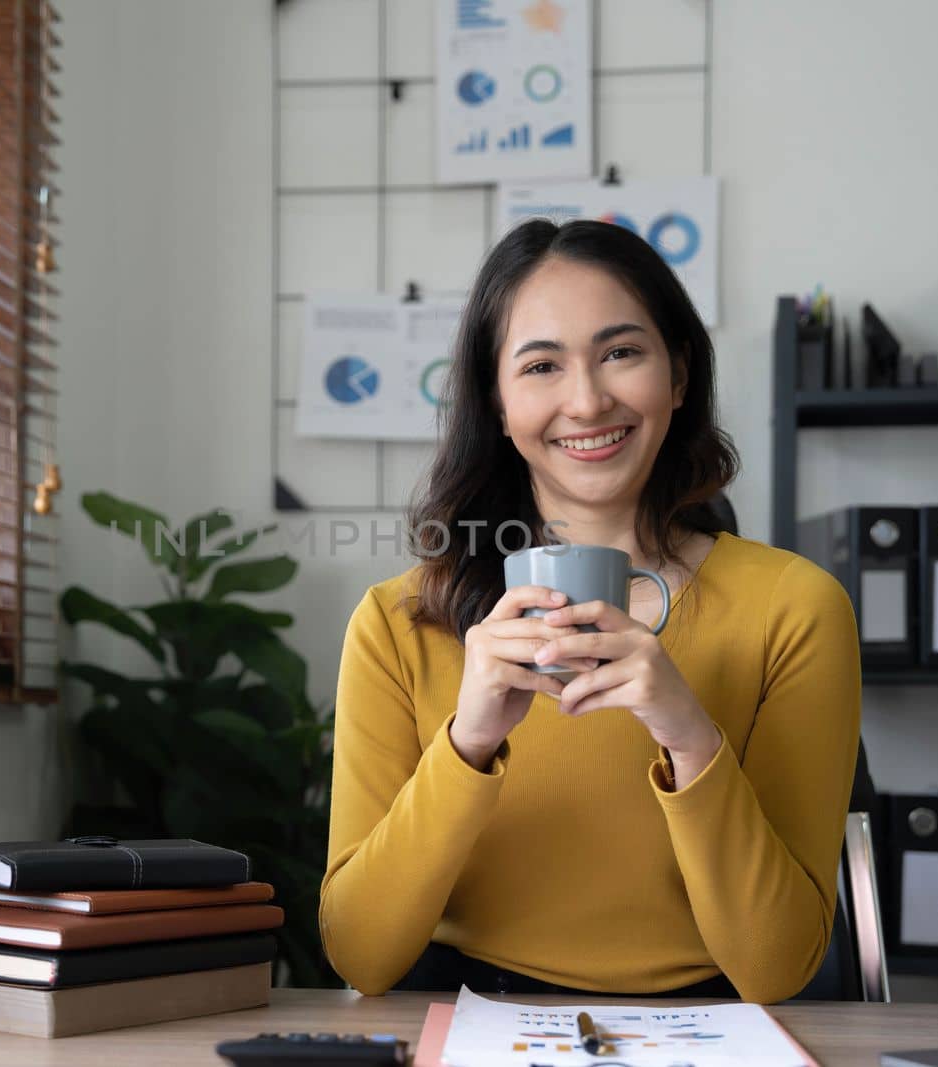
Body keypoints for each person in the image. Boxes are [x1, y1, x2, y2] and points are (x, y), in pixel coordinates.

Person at [318, 219, 861, 1004]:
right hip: (464, 1023)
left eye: (621, 352)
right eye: (541, 365)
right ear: (498, 404)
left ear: (678, 375)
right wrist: (467, 742)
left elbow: (777, 968)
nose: (587, 399)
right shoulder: (398, 622)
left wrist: (690, 735)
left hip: (709, 1030)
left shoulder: (794, 608)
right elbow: (361, 956)